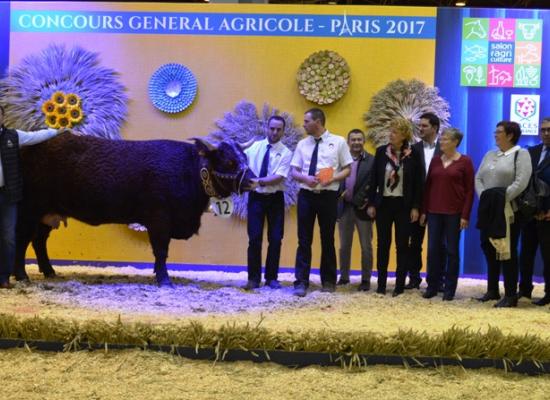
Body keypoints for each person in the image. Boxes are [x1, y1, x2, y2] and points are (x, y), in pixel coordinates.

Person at [291, 108, 352, 297]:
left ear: (318, 122)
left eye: (307, 121)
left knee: (328, 239)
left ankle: (328, 281)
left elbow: (347, 169)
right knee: (304, 240)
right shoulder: (302, 144)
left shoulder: (339, 142)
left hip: (328, 196)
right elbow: (294, 171)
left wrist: (333, 179)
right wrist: (305, 179)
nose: (304, 124)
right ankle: (301, 281)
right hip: (307, 195)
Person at [0, 104, 62, 289]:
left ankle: (4, 277)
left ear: (2, 117)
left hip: (7, 194)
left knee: (8, 236)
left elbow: (37, 136)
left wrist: (58, 131)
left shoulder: (13, 136)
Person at [475, 121, 531, 307]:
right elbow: (478, 178)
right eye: (495, 131)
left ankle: (510, 294)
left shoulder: (521, 154)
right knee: (488, 248)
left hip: (508, 211)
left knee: (507, 252)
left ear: (510, 135)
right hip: (489, 210)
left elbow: (521, 181)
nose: (495, 135)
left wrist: (500, 199)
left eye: (499, 132)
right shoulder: (490, 154)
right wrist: (486, 198)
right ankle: (492, 290)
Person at [367, 118, 423, 296]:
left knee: (402, 246)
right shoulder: (381, 151)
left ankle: (399, 285)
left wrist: (416, 207)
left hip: (404, 205)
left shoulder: (413, 154)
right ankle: (381, 284)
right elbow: (374, 179)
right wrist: (371, 203)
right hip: (384, 204)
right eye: (390, 131)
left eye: (395, 132)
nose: (390, 135)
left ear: (404, 135)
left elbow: (418, 184)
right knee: (383, 244)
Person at [420, 128, 475, 301]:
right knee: (433, 250)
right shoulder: (436, 161)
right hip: (434, 212)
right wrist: (424, 211)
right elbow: (428, 188)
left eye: (445, 139)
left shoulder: (465, 162)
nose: (441, 142)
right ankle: (432, 286)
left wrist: (465, 215)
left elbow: (469, 191)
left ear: (455, 142)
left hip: (454, 213)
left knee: (452, 251)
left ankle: (450, 288)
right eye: (441, 139)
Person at [243, 115, 292, 290]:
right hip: (256, 198)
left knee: (276, 239)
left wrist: (259, 181)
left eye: (279, 129)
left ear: (283, 131)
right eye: (272, 128)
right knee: (254, 239)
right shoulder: (254, 148)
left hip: (275, 199)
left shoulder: (286, 153)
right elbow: (242, 165)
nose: (275, 132)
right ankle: (253, 279)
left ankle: (272, 278)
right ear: (267, 128)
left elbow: (279, 177)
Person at [407, 112, 442, 290]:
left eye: (424, 126)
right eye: (420, 126)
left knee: (438, 244)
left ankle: (436, 280)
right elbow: (411, 181)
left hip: (438, 203)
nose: (420, 128)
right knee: (414, 243)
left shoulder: (445, 149)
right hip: (418, 203)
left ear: (435, 128)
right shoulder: (414, 149)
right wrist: (414, 206)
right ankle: (414, 278)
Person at [337, 129, 374, 291]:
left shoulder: (372, 161)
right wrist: (340, 194)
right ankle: (344, 277)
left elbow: (374, 184)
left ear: (363, 141)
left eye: (359, 139)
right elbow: (333, 180)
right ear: (348, 142)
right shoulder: (340, 161)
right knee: (344, 245)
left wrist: (365, 200)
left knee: (366, 246)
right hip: (344, 209)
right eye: (353, 140)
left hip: (363, 209)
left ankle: (365, 279)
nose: (356, 142)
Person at [518, 117, 550, 305]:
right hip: (530, 214)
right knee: (526, 254)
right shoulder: (531, 152)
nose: (546, 133)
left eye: (549, 130)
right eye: (543, 130)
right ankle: (525, 290)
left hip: (548, 216)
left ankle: (549, 293)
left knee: (548, 257)